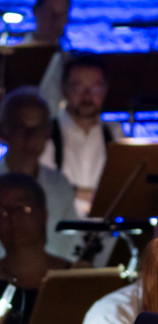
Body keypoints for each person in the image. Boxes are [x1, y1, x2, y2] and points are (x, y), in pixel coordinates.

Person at [0, 173, 70, 324]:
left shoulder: (75, 278)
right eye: (2, 211)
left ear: (44, 214)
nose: (12, 218)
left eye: (23, 208)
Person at [39, 54, 124, 217]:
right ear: (64, 89)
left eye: (95, 87)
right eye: (78, 86)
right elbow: (45, 183)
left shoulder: (115, 134)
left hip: (105, 234)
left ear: (105, 89)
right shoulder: (47, 133)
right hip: (59, 233)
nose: (87, 95)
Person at [0, 88, 78, 260]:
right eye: (21, 127)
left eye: (38, 128)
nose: (30, 137)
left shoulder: (59, 184)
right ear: (4, 131)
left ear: (47, 132)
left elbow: (71, 244)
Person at [21, 0, 71, 114]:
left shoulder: (69, 61)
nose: (56, 19)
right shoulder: (14, 58)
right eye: (50, 11)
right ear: (36, 11)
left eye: (62, 14)